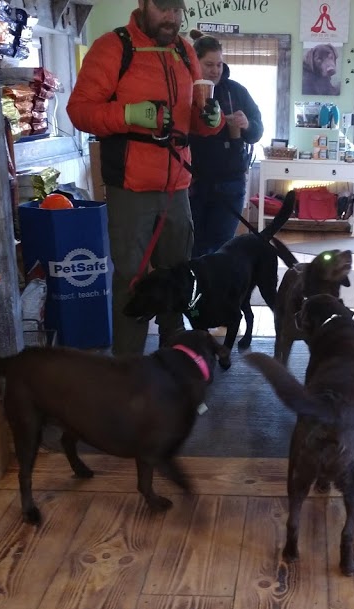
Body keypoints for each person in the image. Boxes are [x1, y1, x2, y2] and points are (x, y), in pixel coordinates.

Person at [66, 0, 224, 357]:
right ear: (142, 4)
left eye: (177, 9)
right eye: (163, 8)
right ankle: (127, 368)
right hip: (131, 187)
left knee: (179, 275)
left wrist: (210, 122)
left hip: (176, 186)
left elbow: (192, 118)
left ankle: (176, 357)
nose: (172, 17)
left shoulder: (184, 51)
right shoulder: (113, 47)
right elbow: (79, 111)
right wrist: (128, 114)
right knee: (131, 279)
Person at [187, 32, 264, 257]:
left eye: (219, 64)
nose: (215, 70)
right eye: (209, 64)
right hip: (194, 183)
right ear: (195, 62)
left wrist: (247, 124)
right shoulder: (184, 91)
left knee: (221, 250)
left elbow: (257, 131)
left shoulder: (237, 91)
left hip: (231, 182)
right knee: (193, 247)